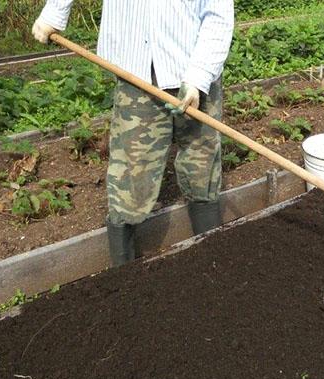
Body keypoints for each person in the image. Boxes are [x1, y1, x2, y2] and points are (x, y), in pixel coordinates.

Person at [32, 1, 235, 267]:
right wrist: (55, 12)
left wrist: (198, 77)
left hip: (195, 61)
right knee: (132, 168)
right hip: (136, 69)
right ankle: (124, 275)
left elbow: (218, 14)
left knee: (201, 160)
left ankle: (212, 256)